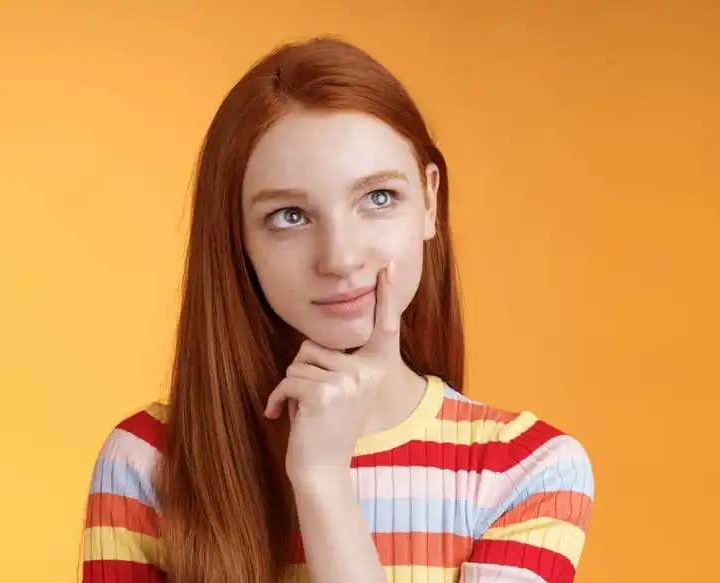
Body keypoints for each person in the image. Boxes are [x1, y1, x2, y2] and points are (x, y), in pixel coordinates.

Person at [79, 36, 594, 582]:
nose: (340, 258)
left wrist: (323, 482)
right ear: (237, 238)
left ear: (429, 202)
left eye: (377, 198)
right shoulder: (149, 462)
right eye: (289, 216)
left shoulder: (526, 469)